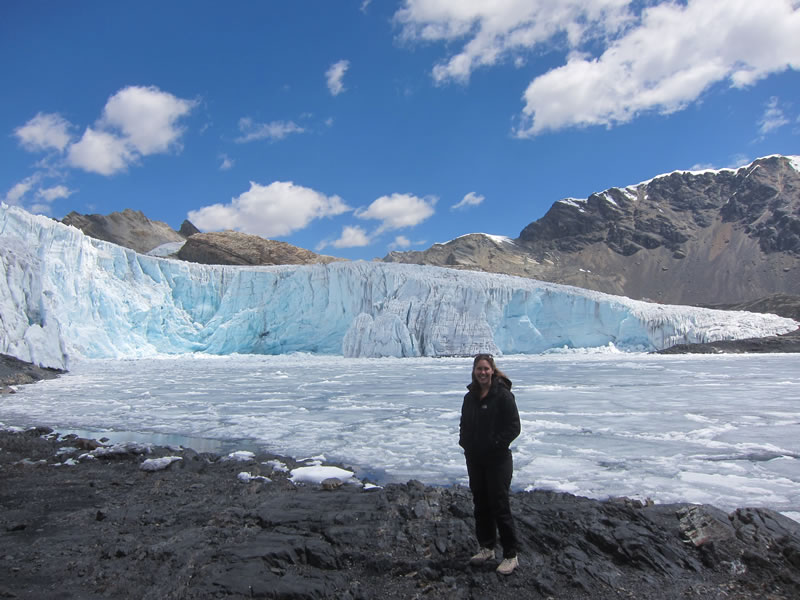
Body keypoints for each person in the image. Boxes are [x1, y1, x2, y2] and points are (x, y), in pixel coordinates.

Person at [459, 353, 521, 575]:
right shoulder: (470, 397)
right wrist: (465, 443)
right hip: (475, 459)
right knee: (481, 502)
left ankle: (510, 555)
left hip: (498, 460)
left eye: (486, 369)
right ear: (474, 371)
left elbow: (514, 427)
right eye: (479, 369)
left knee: (499, 504)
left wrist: (495, 444)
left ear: (492, 370)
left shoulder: (503, 395)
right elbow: (464, 423)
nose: (482, 372)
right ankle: (486, 547)